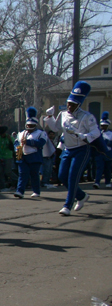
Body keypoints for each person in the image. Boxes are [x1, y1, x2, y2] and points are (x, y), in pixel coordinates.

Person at [44, 81, 100, 216]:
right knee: (62, 176)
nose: (69, 106)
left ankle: (67, 205)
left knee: (73, 176)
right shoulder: (63, 114)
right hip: (68, 149)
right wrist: (50, 117)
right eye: (69, 103)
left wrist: (82, 135)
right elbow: (56, 128)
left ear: (79, 104)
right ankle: (81, 196)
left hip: (81, 149)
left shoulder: (87, 117)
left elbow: (96, 133)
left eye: (73, 104)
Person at [14, 108, 47, 199]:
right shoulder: (21, 133)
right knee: (22, 174)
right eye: (28, 125)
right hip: (23, 156)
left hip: (34, 156)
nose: (29, 126)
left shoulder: (41, 133)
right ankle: (20, 191)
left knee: (34, 174)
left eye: (31, 125)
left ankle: (36, 191)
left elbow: (41, 143)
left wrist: (28, 142)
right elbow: (16, 142)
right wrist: (16, 149)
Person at [93, 112, 112, 188]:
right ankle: (97, 182)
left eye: (104, 126)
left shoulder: (111, 133)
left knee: (107, 169)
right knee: (99, 168)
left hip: (108, 153)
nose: (103, 127)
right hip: (100, 153)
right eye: (102, 126)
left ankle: (107, 182)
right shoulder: (98, 133)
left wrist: (108, 143)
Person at [0, 126, 17, 191]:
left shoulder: (10, 138)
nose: (3, 135)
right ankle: (3, 186)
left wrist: (10, 140)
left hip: (8, 157)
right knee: (0, 172)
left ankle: (18, 181)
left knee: (8, 171)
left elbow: (12, 148)